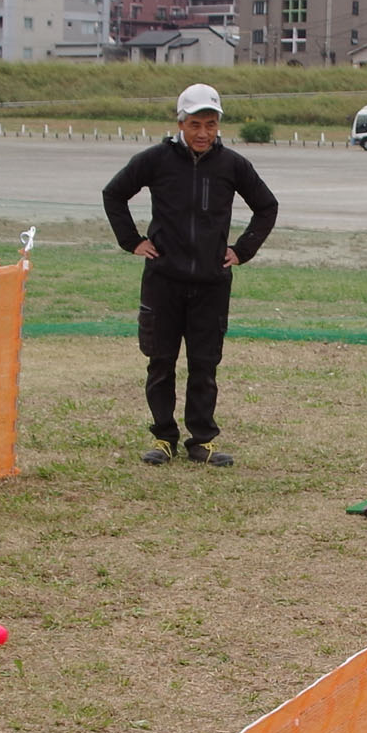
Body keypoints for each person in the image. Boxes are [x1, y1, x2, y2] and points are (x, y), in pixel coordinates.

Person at [102, 83, 280, 467]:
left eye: (211, 124)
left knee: (204, 364)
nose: (203, 133)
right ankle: (164, 437)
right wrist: (132, 241)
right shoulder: (156, 160)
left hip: (212, 285)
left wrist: (242, 249)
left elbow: (267, 206)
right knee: (160, 361)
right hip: (163, 280)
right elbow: (114, 194)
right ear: (180, 123)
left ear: (219, 126)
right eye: (195, 124)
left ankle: (202, 440)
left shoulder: (233, 165)